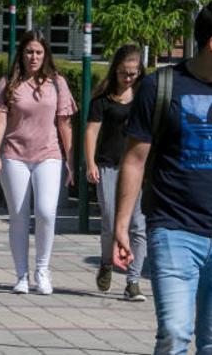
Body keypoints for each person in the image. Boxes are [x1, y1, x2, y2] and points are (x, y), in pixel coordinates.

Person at [114, 0, 212, 355]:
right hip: (174, 230)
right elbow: (135, 160)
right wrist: (122, 224)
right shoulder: (161, 86)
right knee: (174, 332)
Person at [0, 30, 76, 295]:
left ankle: (43, 269)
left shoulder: (57, 83)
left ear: (45, 54)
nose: (33, 57)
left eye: (38, 52)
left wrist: (71, 160)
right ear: (21, 54)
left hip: (48, 154)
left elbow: (64, 123)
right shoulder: (9, 82)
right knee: (19, 216)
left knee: (47, 212)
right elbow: (0, 118)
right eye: (28, 52)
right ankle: (22, 275)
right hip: (14, 155)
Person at [85, 43, 148, 302]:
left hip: (139, 169)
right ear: (115, 71)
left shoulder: (145, 96)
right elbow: (91, 131)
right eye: (124, 72)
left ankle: (133, 281)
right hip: (109, 165)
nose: (128, 77)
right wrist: (90, 163)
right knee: (110, 222)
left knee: (138, 226)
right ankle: (107, 262)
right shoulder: (104, 99)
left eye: (133, 73)